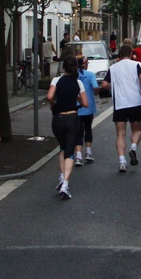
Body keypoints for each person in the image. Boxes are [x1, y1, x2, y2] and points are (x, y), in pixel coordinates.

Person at [101, 43, 141, 172]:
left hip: (120, 103)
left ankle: (122, 162)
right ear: (131, 54)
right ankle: (133, 148)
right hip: (135, 102)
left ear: (120, 55)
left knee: (120, 133)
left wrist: (113, 87)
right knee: (137, 130)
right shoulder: (136, 64)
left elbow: (104, 84)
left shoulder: (113, 67)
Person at [47, 55, 88, 199]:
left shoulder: (56, 80)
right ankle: (65, 184)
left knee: (62, 148)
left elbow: (49, 96)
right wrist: (75, 96)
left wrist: (54, 104)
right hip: (72, 118)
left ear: (64, 67)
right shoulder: (78, 83)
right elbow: (85, 104)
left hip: (57, 119)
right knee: (70, 152)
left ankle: (61, 176)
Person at [74, 56, 99, 166]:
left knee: (78, 131)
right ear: (85, 64)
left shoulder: (74, 76)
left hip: (76, 107)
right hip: (88, 107)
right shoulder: (90, 75)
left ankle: (78, 156)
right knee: (88, 129)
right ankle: (88, 152)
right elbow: (95, 88)